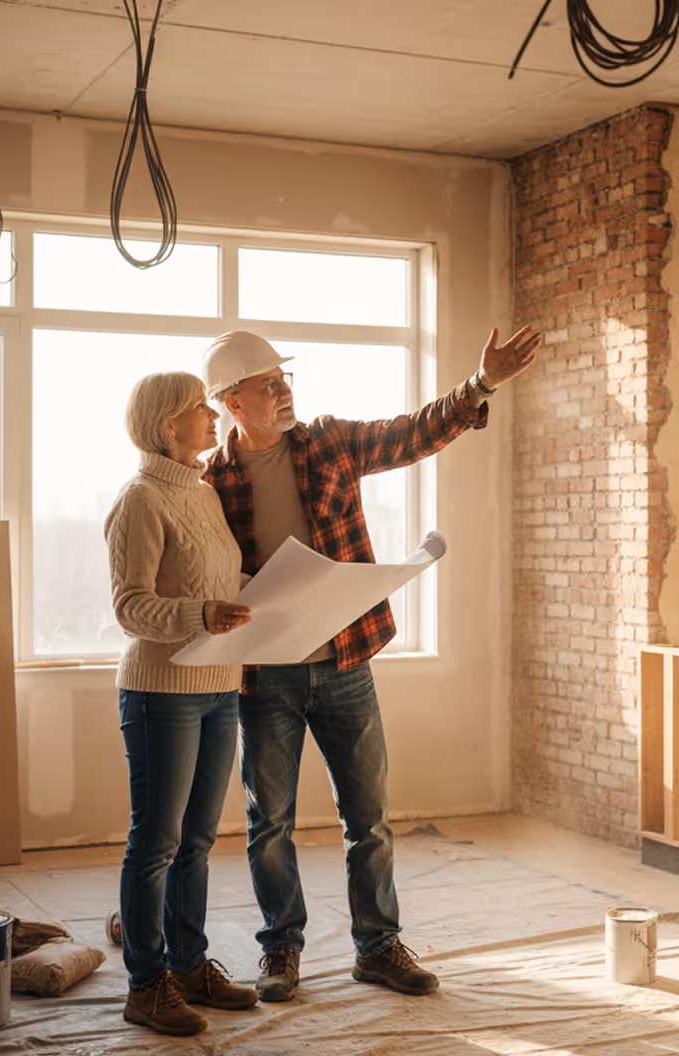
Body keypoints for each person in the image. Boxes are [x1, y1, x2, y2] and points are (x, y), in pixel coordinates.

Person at [200, 326, 541, 1002]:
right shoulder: (210, 480)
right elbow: (196, 569)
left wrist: (481, 385)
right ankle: (281, 951)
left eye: (284, 378)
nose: (284, 390)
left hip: (345, 664)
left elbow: (412, 434)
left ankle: (378, 947)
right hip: (266, 674)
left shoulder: (325, 441)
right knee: (270, 823)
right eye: (267, 384)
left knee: (369, 819)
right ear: (232, 403)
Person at [104, 371, 259, 1036]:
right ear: (170, 426)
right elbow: (130, 605)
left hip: (219, 687)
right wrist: (201, 612)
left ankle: (190, 967)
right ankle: (147, 984)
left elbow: (223, 581)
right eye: (201, 407)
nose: (212, 415)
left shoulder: (203, 492)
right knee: (157, 844)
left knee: (196, 841)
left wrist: (278, 591)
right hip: (160, 692)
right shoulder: (140, 499)